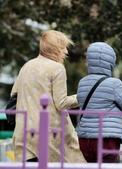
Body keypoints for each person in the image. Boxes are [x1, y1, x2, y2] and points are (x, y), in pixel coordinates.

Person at [11, 30, 86, 162]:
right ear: (55, 49)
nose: (66, 52)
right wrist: (83, 96)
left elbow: (14, 95)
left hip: (24, 134)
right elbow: (61, 103)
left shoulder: (27, 66)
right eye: (63, 48)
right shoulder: (57, 68)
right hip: (48, 136)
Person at [76, 42, 122, 163]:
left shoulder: (82, 82)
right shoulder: (114, 83)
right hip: (106, 139)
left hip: (84, 139)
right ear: (110, 61)